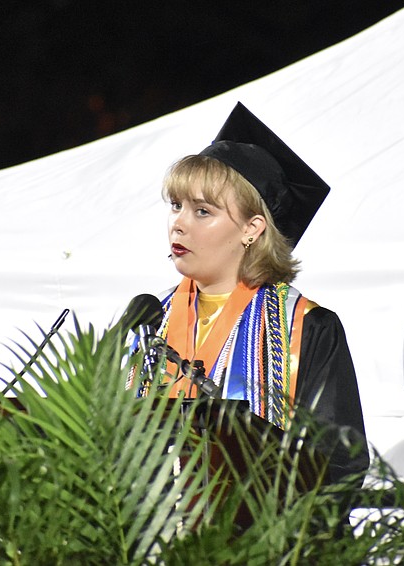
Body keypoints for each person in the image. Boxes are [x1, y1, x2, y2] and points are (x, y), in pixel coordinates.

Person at [140, 102, 368, 484]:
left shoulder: (306, 328)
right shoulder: (147, 320)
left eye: (202, 211)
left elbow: (337, 468)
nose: (178, 224)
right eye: (176, 206)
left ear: (252, 228)